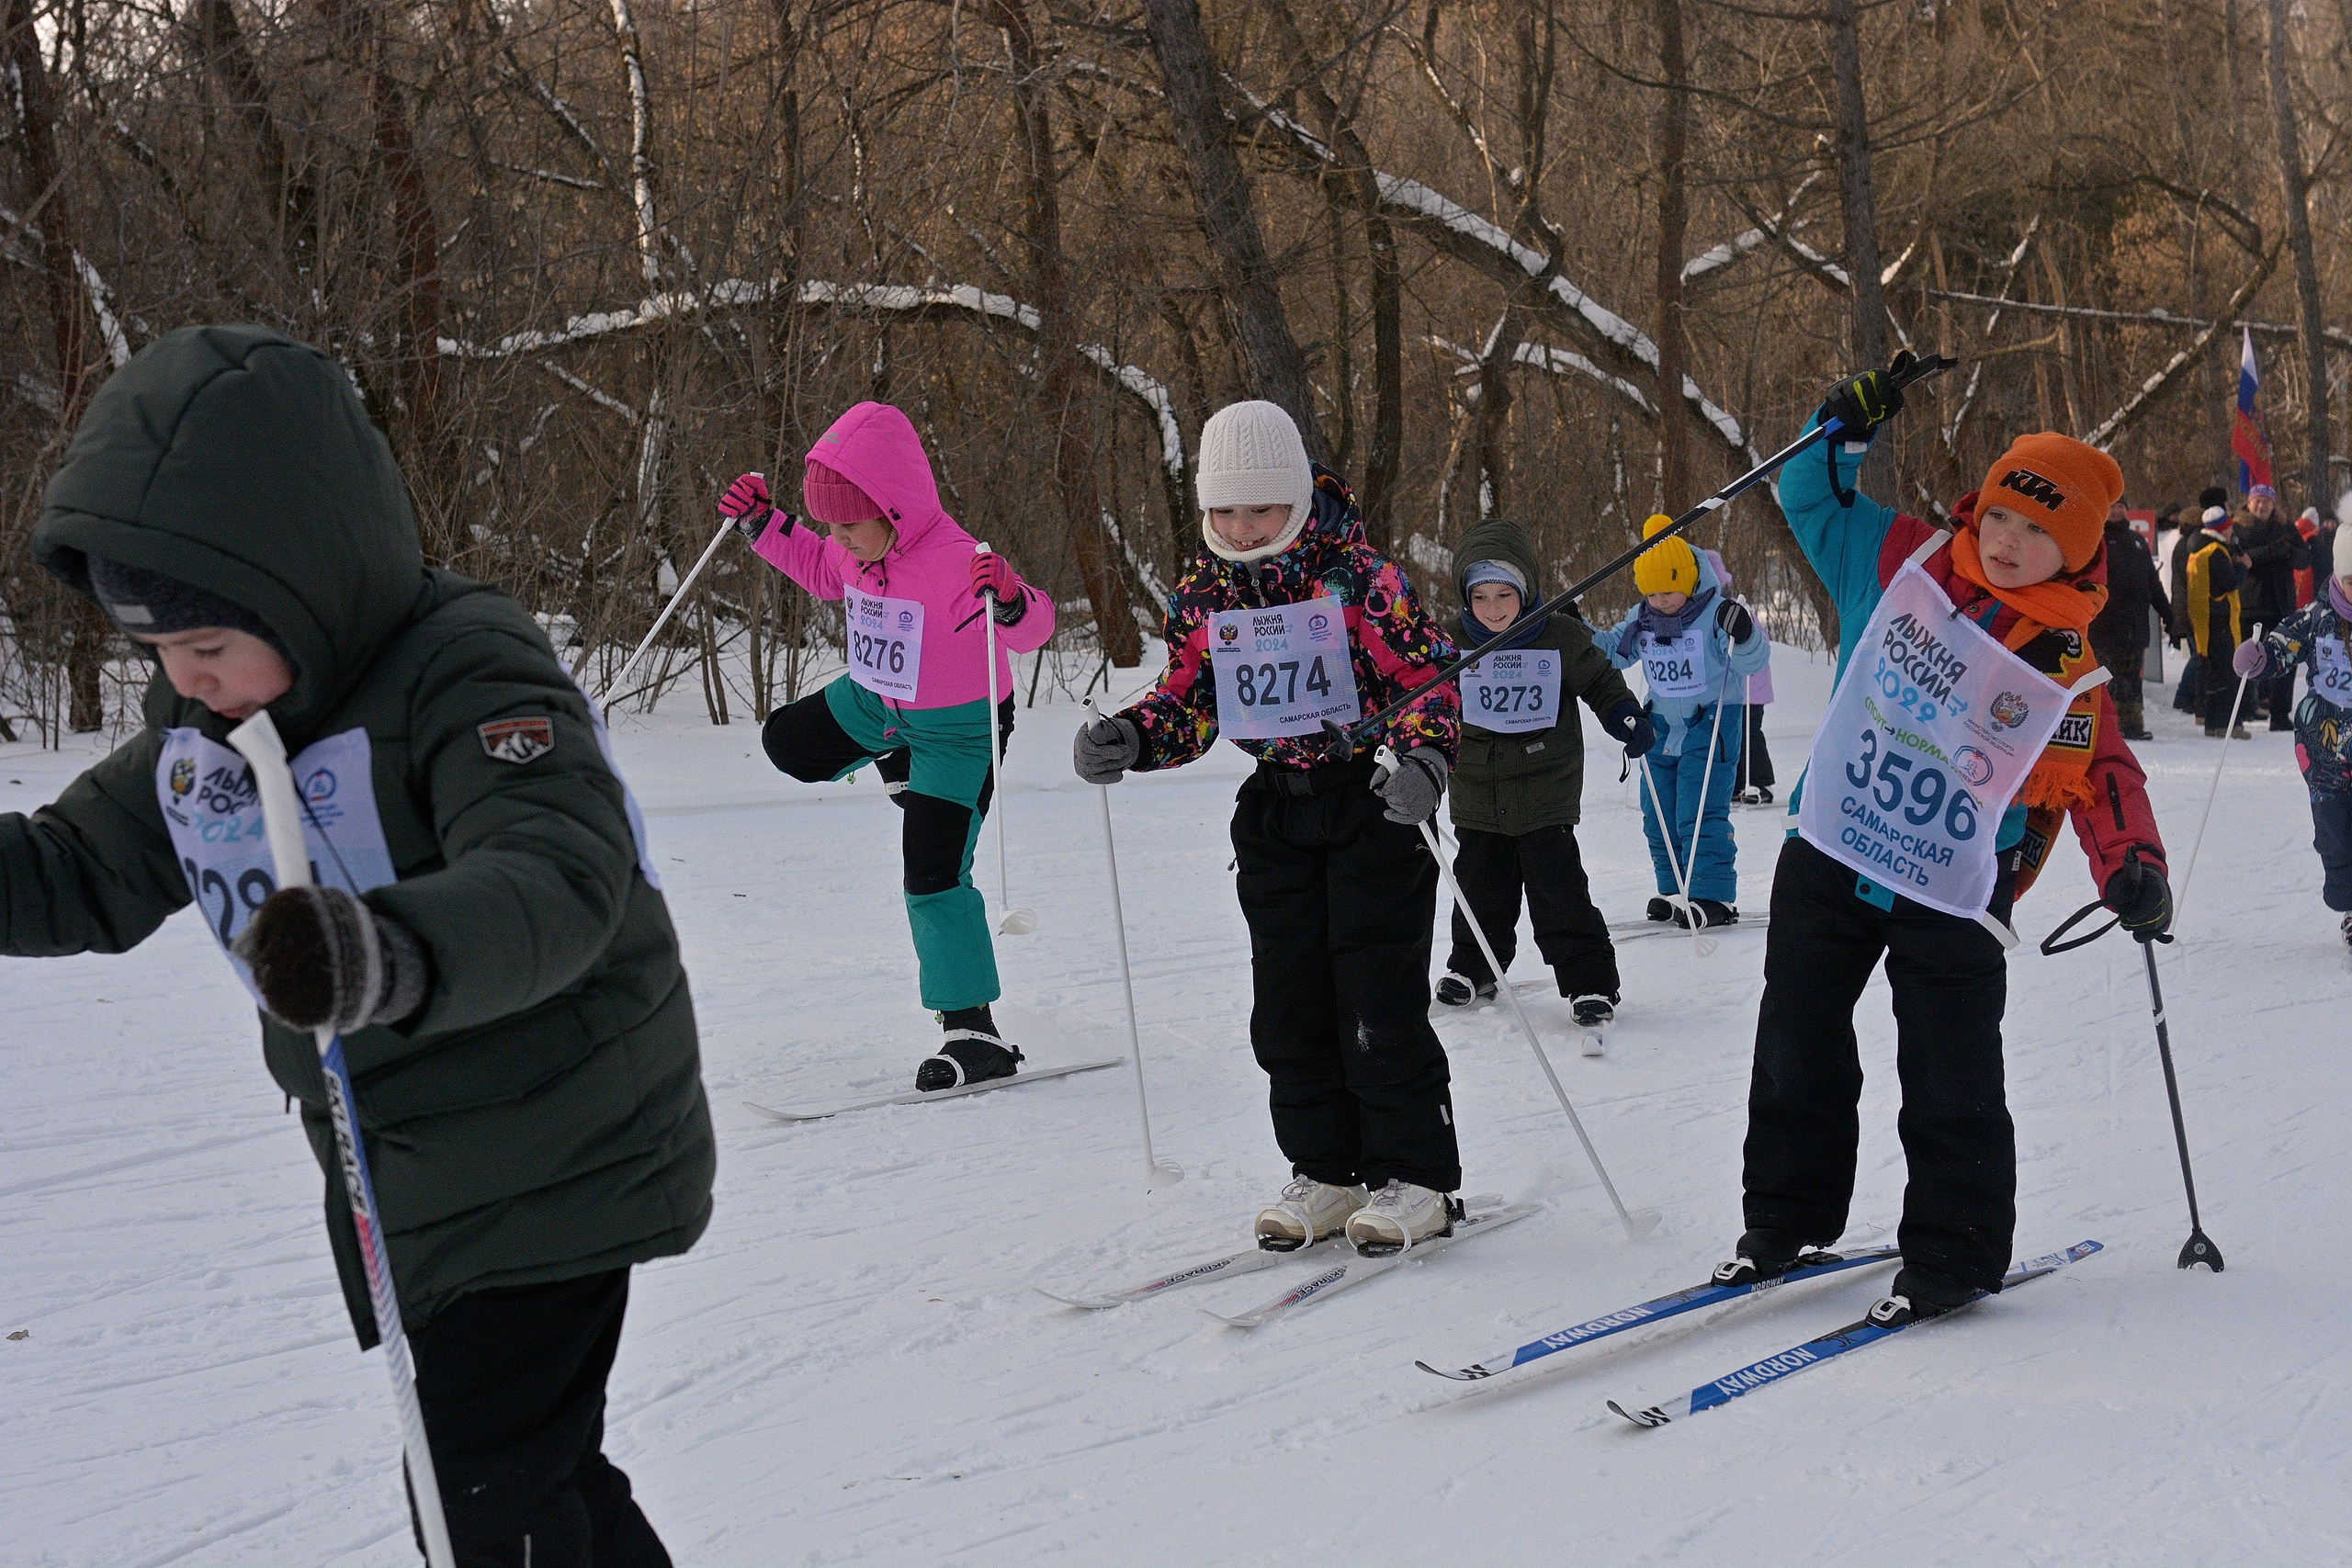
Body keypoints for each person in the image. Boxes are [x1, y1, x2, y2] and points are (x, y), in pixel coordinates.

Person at [14, 324, 711, 1566]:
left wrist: (379, 952)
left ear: (300, 577)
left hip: (552, 1144)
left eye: (210, 645)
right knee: (525, 1471)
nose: (188, 681)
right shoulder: (212, 726)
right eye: (163, 654)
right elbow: (80, 867)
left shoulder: (466, 666)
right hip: (415, 1173)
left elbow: (558, 873)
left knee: (482, 1486)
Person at [1728, 369, 2171, 1327]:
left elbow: (2100, 772)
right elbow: (1807, 494)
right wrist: (1836, 429)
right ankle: (1782, 1218)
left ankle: (1953, 1252)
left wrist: (2132, 864)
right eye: (2003, 518)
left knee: (1948, 1071)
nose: (2010, 543)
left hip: (1957, 882)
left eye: (2038, 533)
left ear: (2077, 546)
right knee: (1796, 1039)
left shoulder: (2064, 659)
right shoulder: (1899, 557)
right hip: (1834, 845)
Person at [1070, 400, 1464, 1252]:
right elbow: (1189, 699)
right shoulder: (1204, 596)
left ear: (1297, 497)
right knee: (1287, 1002)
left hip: (1373, 802)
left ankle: (1415, 1173)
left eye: (1261, 508)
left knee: (1375, 996)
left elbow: (1427, 678)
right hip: (1277, 809)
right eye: (1224, 510)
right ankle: (1324, 1169)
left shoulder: (1360, 578)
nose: (1242, 528)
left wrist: (1424, 761)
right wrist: (1132, 736)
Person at [718, 403, 1055, 1091]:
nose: (836, 537)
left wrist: (1014, 598)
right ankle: (893, 762)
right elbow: (818, 567)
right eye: (829, 523)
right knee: (785, 741)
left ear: (894, 510)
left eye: (847, 523)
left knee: (931, 875)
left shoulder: (958, 560)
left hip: (960, 733)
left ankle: (973, 1032)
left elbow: (1031, 630)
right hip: (877, 701)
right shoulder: (850, 547)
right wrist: (760, 522)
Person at [1433, 517, 1653, 1033]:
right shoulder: (1447, 642)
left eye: (1504, 595)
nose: (1492, 609)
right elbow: (1423, 695)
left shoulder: (1558, 634)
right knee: (1480, 886)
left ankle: (1589, 980)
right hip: (1477, 791)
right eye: (1480, 597)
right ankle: (1474, 967)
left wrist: (1623, 713)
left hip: (1545, 787)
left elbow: (1600, 679)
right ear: (1466, 599)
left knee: (1558, 889)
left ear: (1526, 590)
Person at [1603, 514, 1771, 927]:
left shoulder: (1717, 613)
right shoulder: (1642, 618)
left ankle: (1712, 895)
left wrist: (1746, 633)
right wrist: (1576, 632)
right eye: (1652, 592)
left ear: (1689, 578)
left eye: (1669, 591)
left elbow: (1753, 661)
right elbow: (1613, 652)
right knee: (1656, 810)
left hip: (1711, 722)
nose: (1661, 601)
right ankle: (1674, 888)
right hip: (1660, 724)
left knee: (1698, 810)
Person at [2232, 524, 2352, 947]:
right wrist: (2262, 656)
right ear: (2339, 576)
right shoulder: (2317, 618)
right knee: (2336, 835)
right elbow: (2285, 644)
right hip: (2324, 751)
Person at [2090, 497, 2171, 740]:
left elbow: (2152, 582)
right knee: (2103, 679)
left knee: (2132, 679)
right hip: (2103, 624)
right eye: (2111, 506)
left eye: (2120, 506)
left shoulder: (2137, 540)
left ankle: (2132, 723)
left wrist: (2168, 614)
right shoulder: (2095, 541)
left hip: (2134, 624)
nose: (2116, 511)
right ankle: (2103, 728)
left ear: (2127, 510)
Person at [2236, 482, 2308, 731]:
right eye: (2257, 500)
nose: (2262, 505)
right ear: (2249, 503)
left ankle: (2280, 713)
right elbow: (2244, 559)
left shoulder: (2285, 527)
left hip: (2281, 604)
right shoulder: (2240, 527)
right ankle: (2244, 707)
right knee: (2246, 658)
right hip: (2251, 604)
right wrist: (2273, 551)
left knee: (2287, 658)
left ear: (2274, 504)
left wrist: (2286, 552)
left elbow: (2303, 558)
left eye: (2266, 501)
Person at [2185, 505, 2250, 738]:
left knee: (2214, 673)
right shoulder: (2215, 551)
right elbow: (2230, 582)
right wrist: (2243, 566)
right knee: (2226, 673)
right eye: (2229, 527)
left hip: (2207, 619)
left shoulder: (2197, 548)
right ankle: (2227, 724)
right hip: (2220, 619)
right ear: (2222, 529)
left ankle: (2213, 723)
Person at [2169, 488, 2228, 715]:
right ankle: (2185, 695)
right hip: (2193, 607)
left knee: (2200, 653)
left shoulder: (2184, 543)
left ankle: (2189, 695)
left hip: (2186, 606)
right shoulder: (2193, 544)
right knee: (2200, 654)